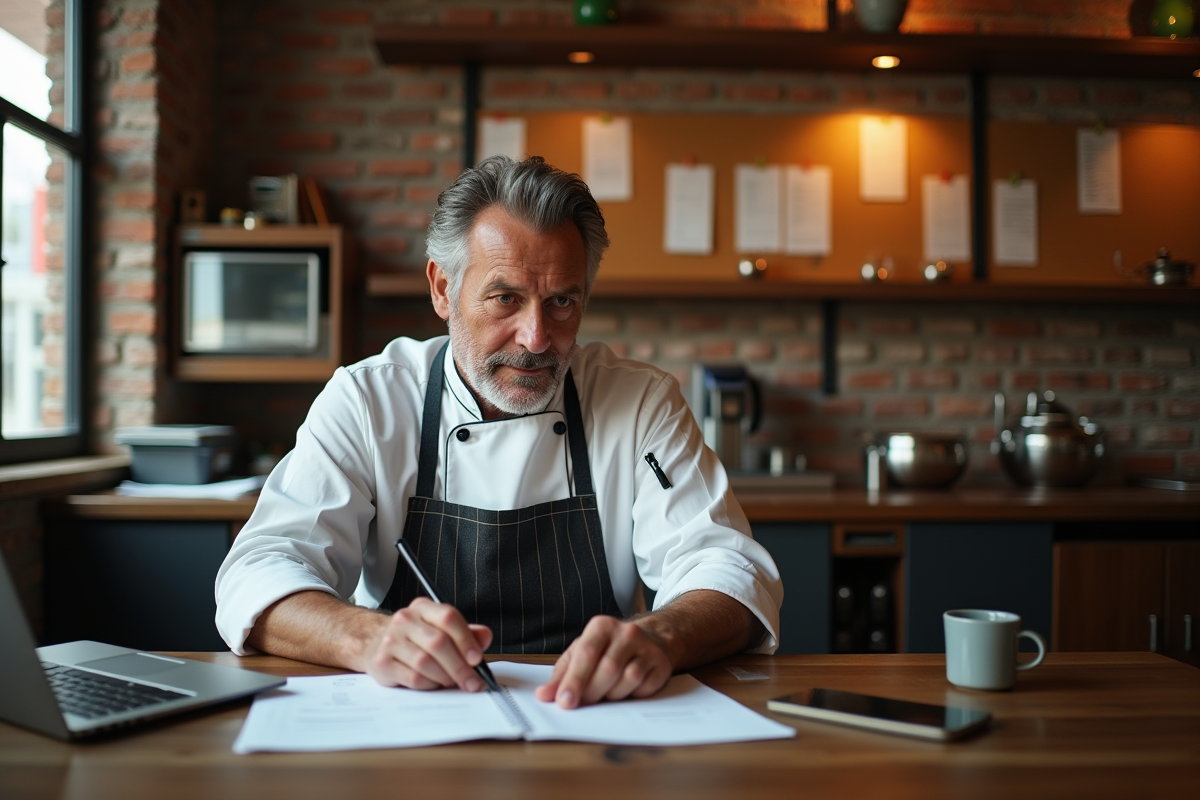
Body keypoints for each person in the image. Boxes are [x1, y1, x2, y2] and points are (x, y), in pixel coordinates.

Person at [215, 155, 782, 709]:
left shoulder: (639, 403)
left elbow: (730, 569)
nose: (536, 337)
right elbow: (259, 571)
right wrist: (366, 638)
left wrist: (662, 636)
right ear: (442, 289)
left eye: (562, 302)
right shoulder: (369, 401)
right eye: (505, 298)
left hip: (590, 713)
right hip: (409, 716)